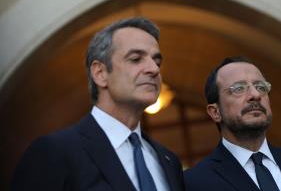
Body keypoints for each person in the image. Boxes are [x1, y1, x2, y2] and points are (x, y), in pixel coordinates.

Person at [11, 17, 185, 191]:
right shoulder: (54, 152)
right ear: (100, 73)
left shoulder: (169, 161)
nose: (154, 69)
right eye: (135, 59)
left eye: (157, 61)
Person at [184, 56, 281, 191]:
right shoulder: (195, 182)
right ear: (215, 112)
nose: (255, 95)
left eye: (261, 87)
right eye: (238, 89)